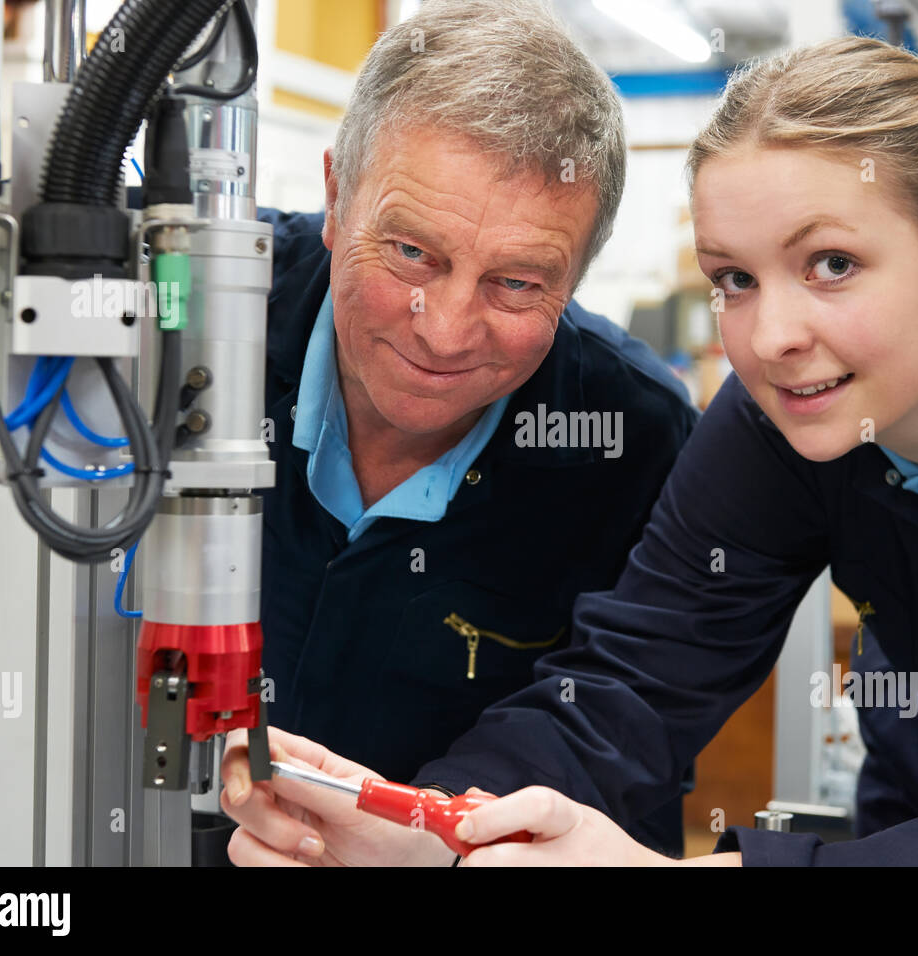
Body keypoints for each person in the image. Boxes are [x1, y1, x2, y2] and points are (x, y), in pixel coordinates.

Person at [221, 35, 918, 866]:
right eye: (735, 279)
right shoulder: (781, 426)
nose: (770, 338)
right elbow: (629, 688)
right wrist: (434, 824)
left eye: (831, 264)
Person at [233, 0, 698, 860]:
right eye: (412, 253)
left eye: (517, 283)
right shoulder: (200, 310)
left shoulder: (636, 441)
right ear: (337, 197)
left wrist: (440, 832)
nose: (444, 330)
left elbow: (628, 727)